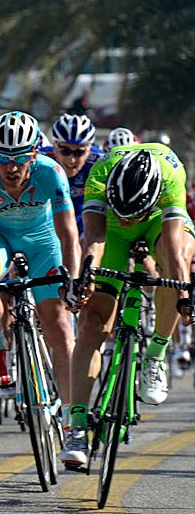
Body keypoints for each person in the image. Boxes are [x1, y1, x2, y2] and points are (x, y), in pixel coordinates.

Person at [60, 144, 194, 467]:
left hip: (158, 223)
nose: (125, 215)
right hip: (113, 233)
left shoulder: (172, 177)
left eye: (129, 210)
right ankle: (77, 428)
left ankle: (156, 356)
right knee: (94, 321)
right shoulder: (100, 176)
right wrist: (86, 278)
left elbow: (175, 254)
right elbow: (93, 237)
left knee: (175, 267)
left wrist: (185, 297)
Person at [0, 112, 79, 409]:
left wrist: (72, 281)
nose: (11, 167)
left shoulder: (51, 172)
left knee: (60, 327)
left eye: (21, 158)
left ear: (34, 153)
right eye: (2, 157)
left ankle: (72, 413)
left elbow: (68, 235)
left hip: (42, 241)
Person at [42, 113, 103, 234]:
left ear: (89, 150)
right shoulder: (42, 160)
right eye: (65, 151)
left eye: (79, 152)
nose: (71, 159)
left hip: (85, 225)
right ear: (54, 147)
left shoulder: (99, 161)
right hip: (49, 226)